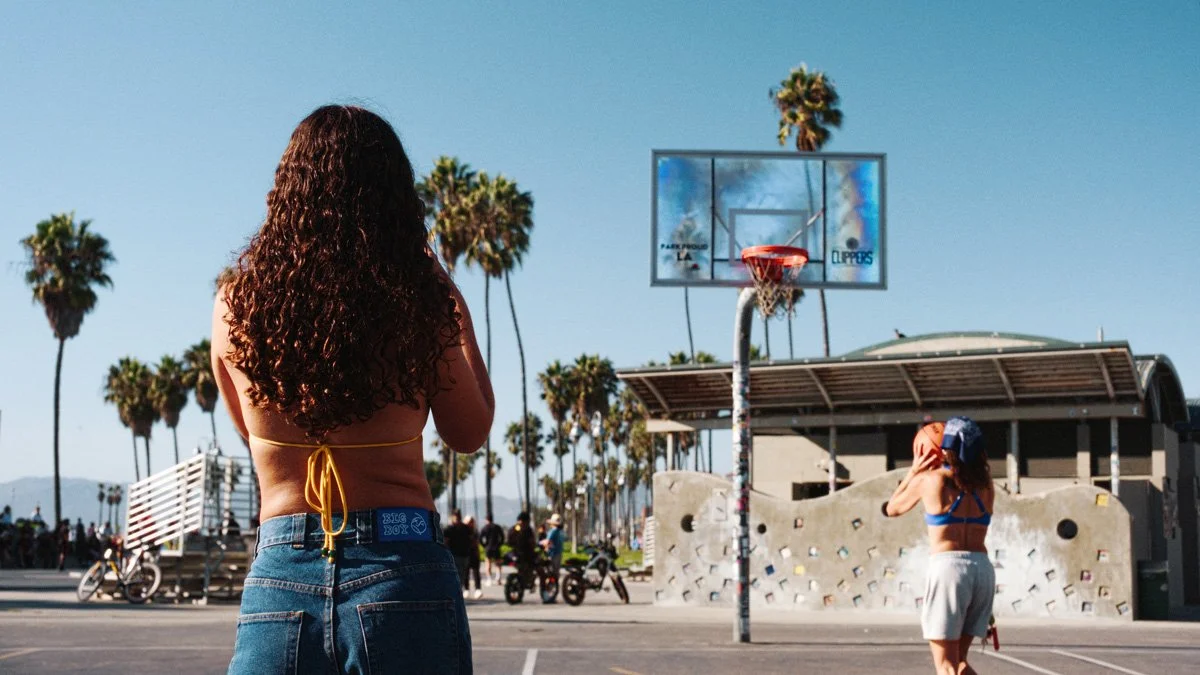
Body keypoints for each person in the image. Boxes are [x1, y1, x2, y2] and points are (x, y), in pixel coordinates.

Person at [215, 105, 493, 674]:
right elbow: (470, 431)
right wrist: (447, 293)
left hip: (281, 572)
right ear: (394, 198)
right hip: (402, 567)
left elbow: (248, 432)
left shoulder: (234, 306)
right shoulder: (418, 304)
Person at [884, 417, 995, 675]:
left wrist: (914, 470)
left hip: (949, 569)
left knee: (945, 666)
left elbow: (892, 508)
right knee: (959, 663)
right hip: (982, 570)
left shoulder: (931, 480)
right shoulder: (986, 485)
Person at [443, 510, 473, 598]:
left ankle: (457, 592)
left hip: (460, 554)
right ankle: (457, 592)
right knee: (459, 574)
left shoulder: (450, 528)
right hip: (458, 555)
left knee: (460, 574)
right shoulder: (452, 528)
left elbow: (445, 542)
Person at [507, 511, 537, 587]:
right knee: (536, 566)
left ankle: (528, 580)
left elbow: (509, 541)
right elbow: (532, 542)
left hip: (516, 553)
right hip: (525, 554)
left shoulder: (516, 528)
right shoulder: (527, 529)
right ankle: (529, 580)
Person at [479, 515, 505, 585]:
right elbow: (502, 537)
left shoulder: (485, 528)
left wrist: (484, 546)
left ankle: (489, 579)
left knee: (488, 563)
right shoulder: (497, 527)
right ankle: (498, 578)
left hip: (488, 547)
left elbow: (480, 539)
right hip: (496, 547)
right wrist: (500, 544)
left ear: (486, 519)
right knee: (498, 563)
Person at [464, 516, 483, 599]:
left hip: (474, 554)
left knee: (476, 573)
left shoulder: (475, 532)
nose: (470, 523)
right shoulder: (463, 532)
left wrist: (478, 553)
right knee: (466, 573)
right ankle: (466, 589)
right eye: (469, 522)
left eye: (471, 522)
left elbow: (477, 543)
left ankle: (478, 589)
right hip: (465, 554)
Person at [543, 514, 565, 581]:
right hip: (559, 553)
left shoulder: (553, 531)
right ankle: (555, 585)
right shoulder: (560, 532)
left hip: (552, 553)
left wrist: (542, 544)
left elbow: (548, 541)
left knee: (551, 571)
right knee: (556, 571)